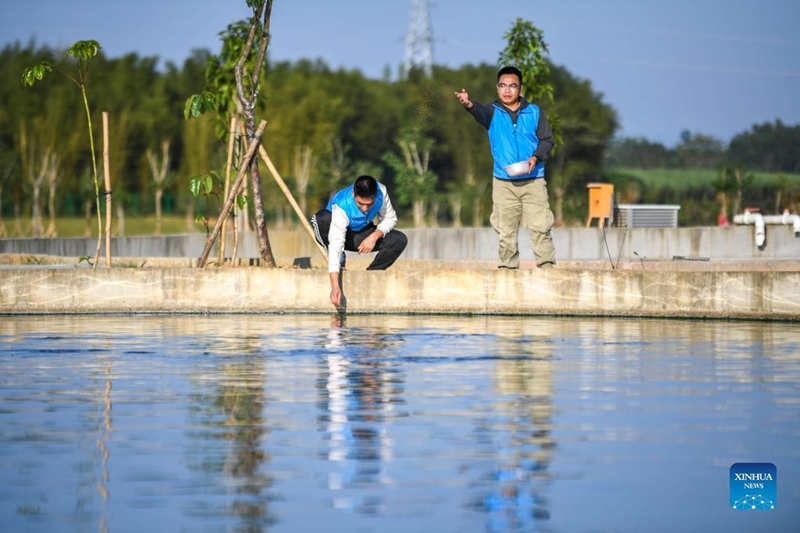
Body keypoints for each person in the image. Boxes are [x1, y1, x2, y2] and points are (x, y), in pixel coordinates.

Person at [454, 65, 556, 269]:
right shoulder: (492, 112)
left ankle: (547, 269)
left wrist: (536, 157)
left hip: (533, 180)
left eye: (512, 86)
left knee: (540, 228)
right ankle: (507, 270)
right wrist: (468, 103)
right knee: (506, 231)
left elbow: (547, 140)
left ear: (520, 89)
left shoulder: (534, 112)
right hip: (503, 182)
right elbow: (477, 109)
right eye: (502, 85)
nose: (507, 90)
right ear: (497, 88)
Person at [311, 175, 407, 306]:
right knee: (321, 219)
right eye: (360, 204)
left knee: (399, 239)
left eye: (369, 204)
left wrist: (374, 236)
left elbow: (390, 218)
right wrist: (335, 286)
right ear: (353, 194)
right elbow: (336, 243)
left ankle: (373, 273)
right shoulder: (342, 205)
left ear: (375, 195)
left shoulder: (381, 192)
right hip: (333, 231)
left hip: (362, 234)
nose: (365, 209)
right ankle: (341, 259)